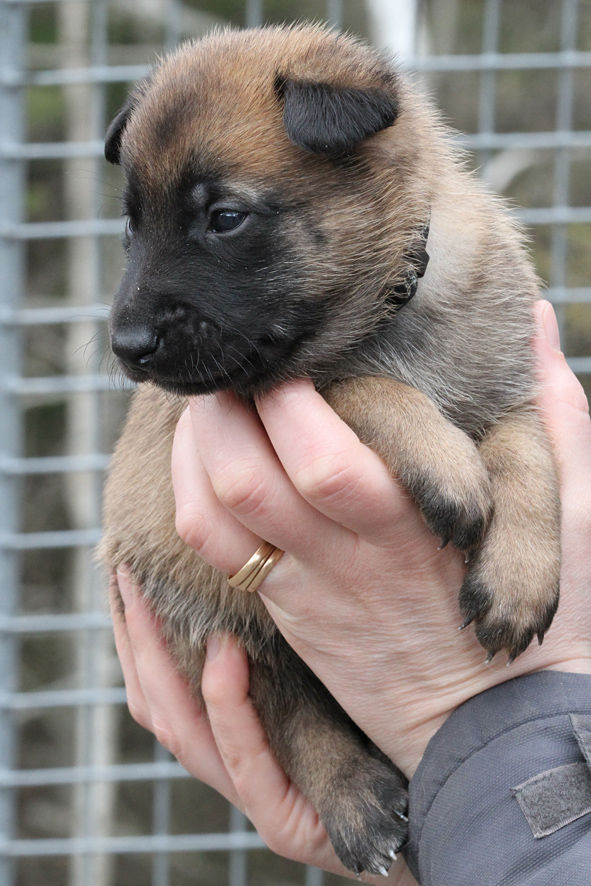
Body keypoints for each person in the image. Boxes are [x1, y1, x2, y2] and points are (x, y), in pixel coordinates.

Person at [110, 300, 591, 884]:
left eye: (226, 218)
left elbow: (512, 416)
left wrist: (462, 716)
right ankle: (317, 747)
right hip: (242, 630)